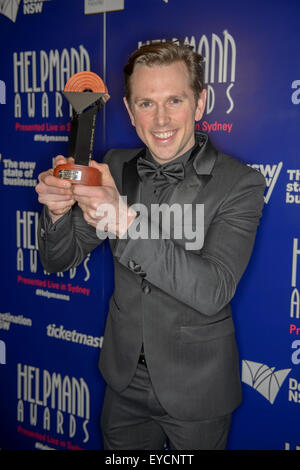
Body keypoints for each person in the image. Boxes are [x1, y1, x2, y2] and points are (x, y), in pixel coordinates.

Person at [36, 41, 266, 450]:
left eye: (174, 99)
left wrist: (122, 220)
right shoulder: (115, 167)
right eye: (145, 103)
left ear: (200, 103)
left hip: (197, 390)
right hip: (123, 383)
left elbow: (213, 289)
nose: (160, 118)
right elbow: (59, 260)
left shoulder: (240, 183)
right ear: (129, 110)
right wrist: (56, 215)